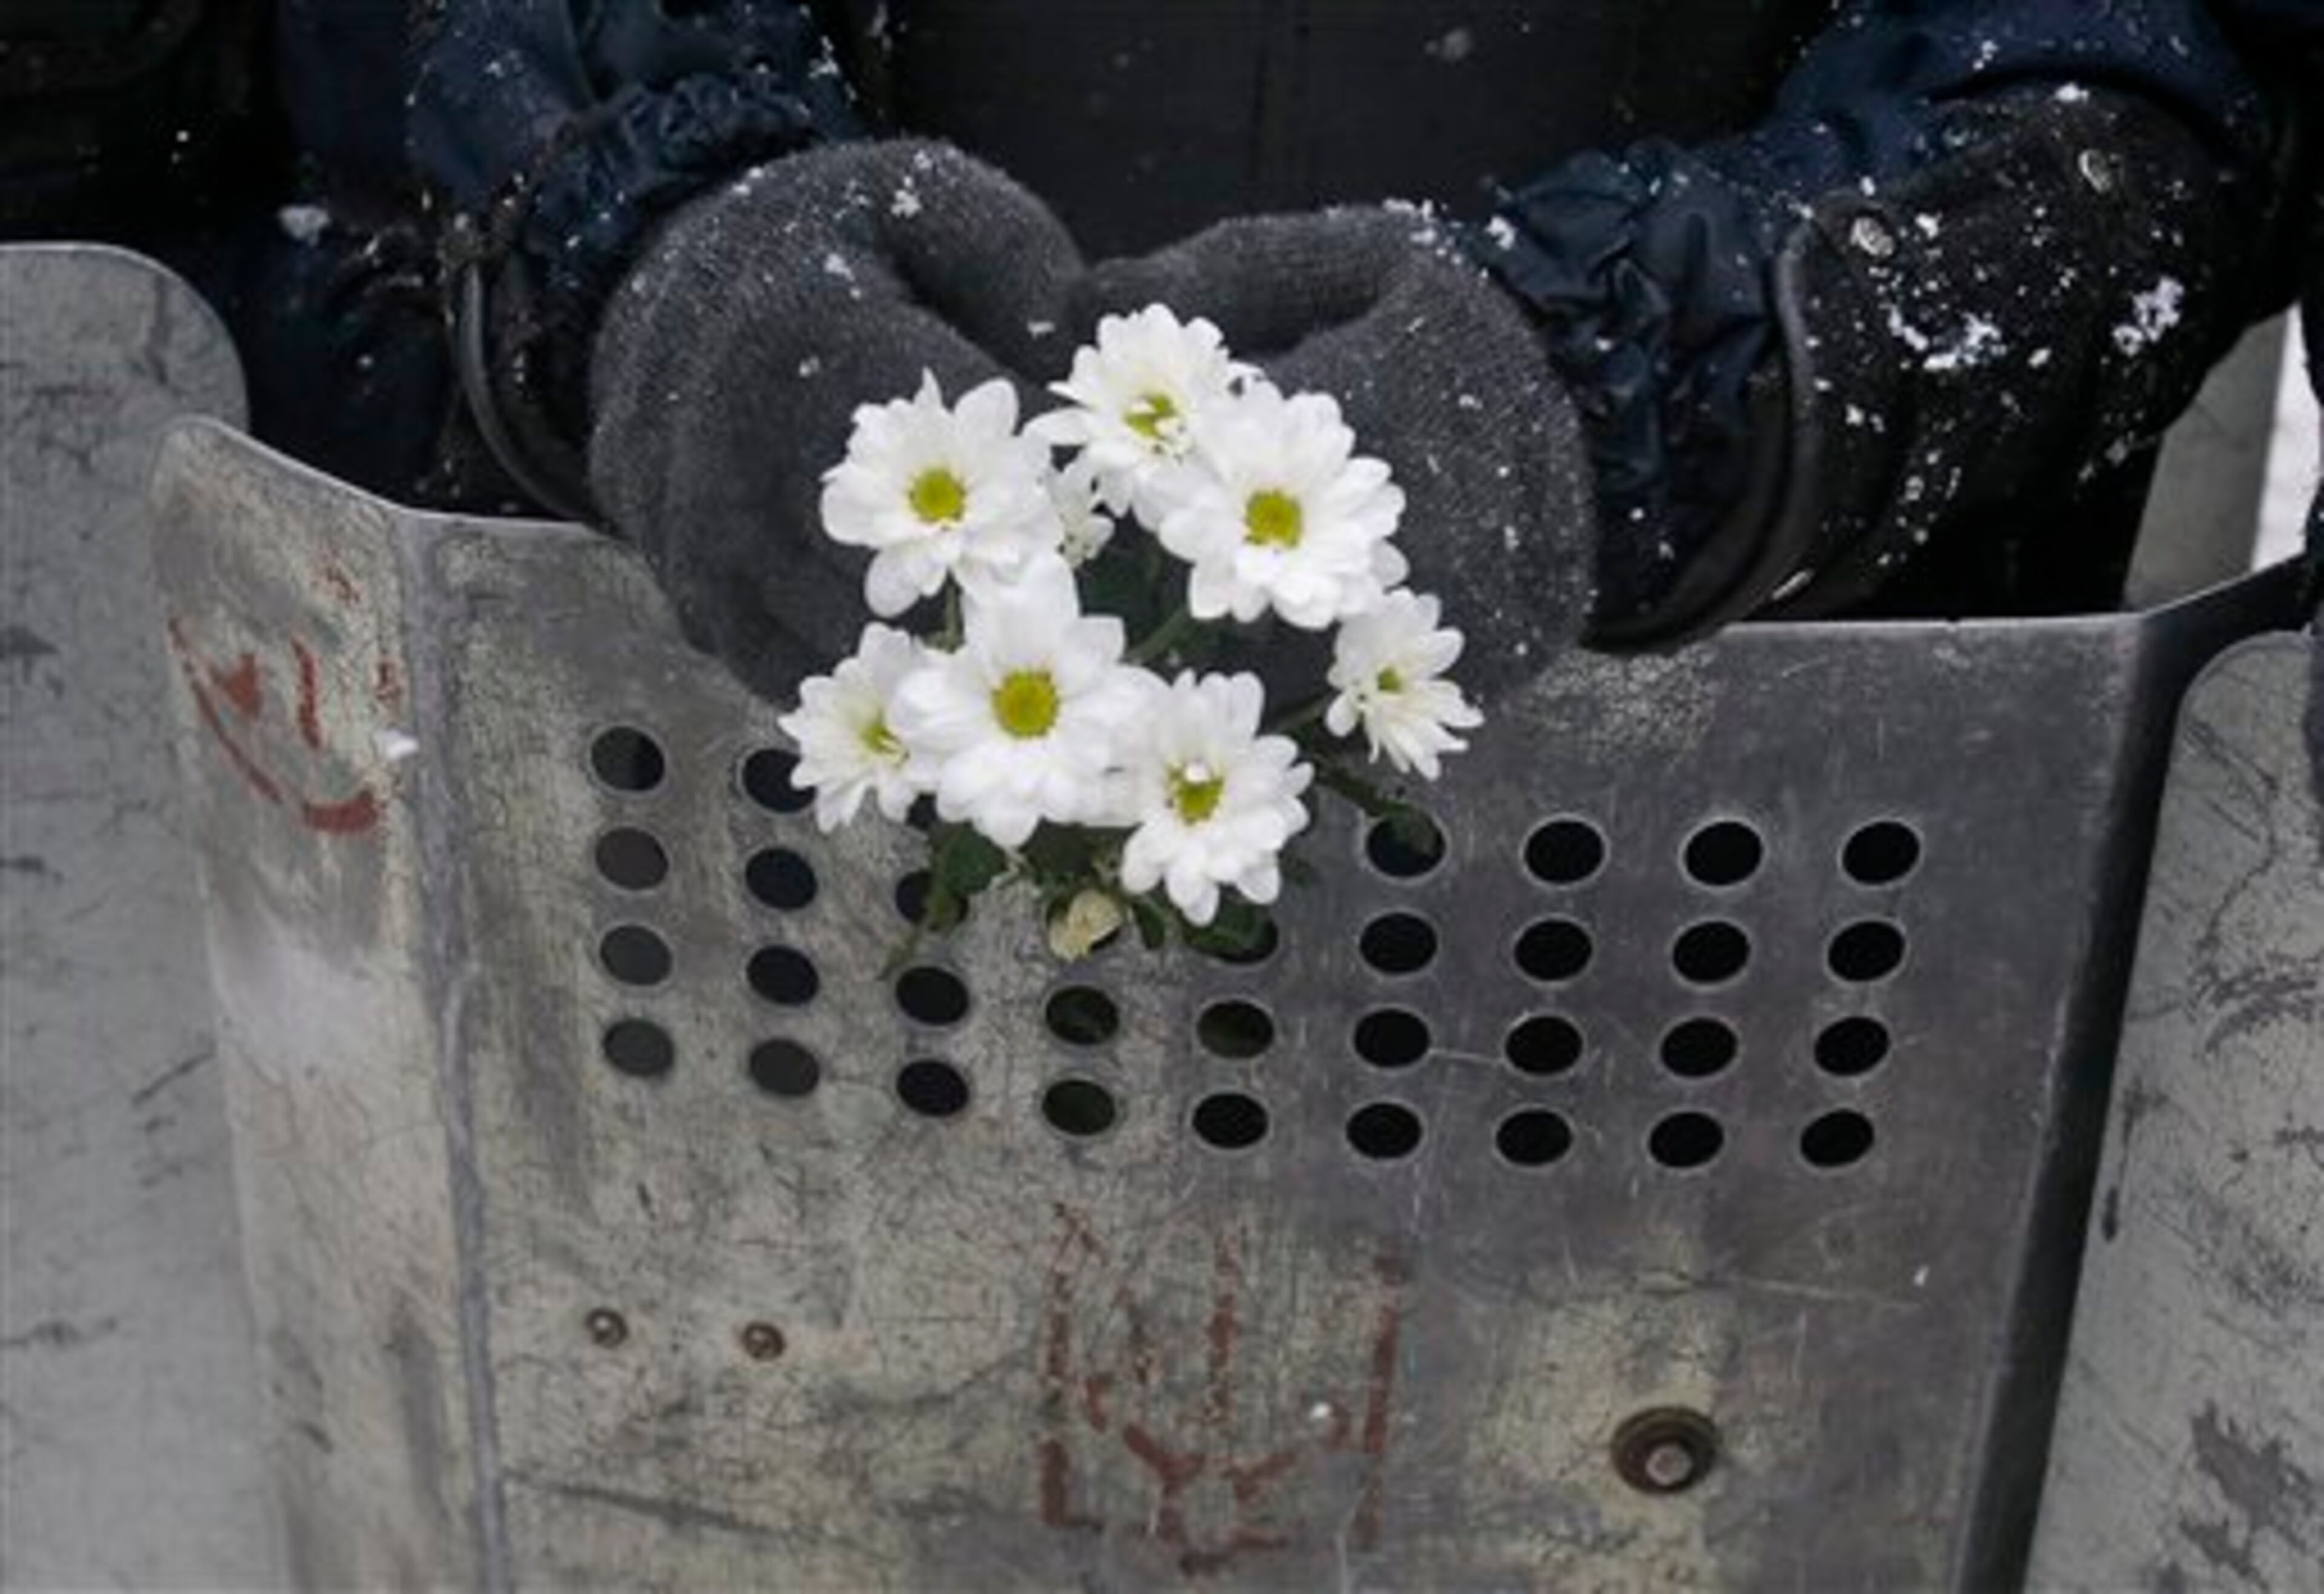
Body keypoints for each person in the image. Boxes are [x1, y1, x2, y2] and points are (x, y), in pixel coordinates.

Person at [5, 2, 2319, 704]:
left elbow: (2148, 82)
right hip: (629, 884)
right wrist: (648, 223)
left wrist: (1658, 377)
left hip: (1760, 990)